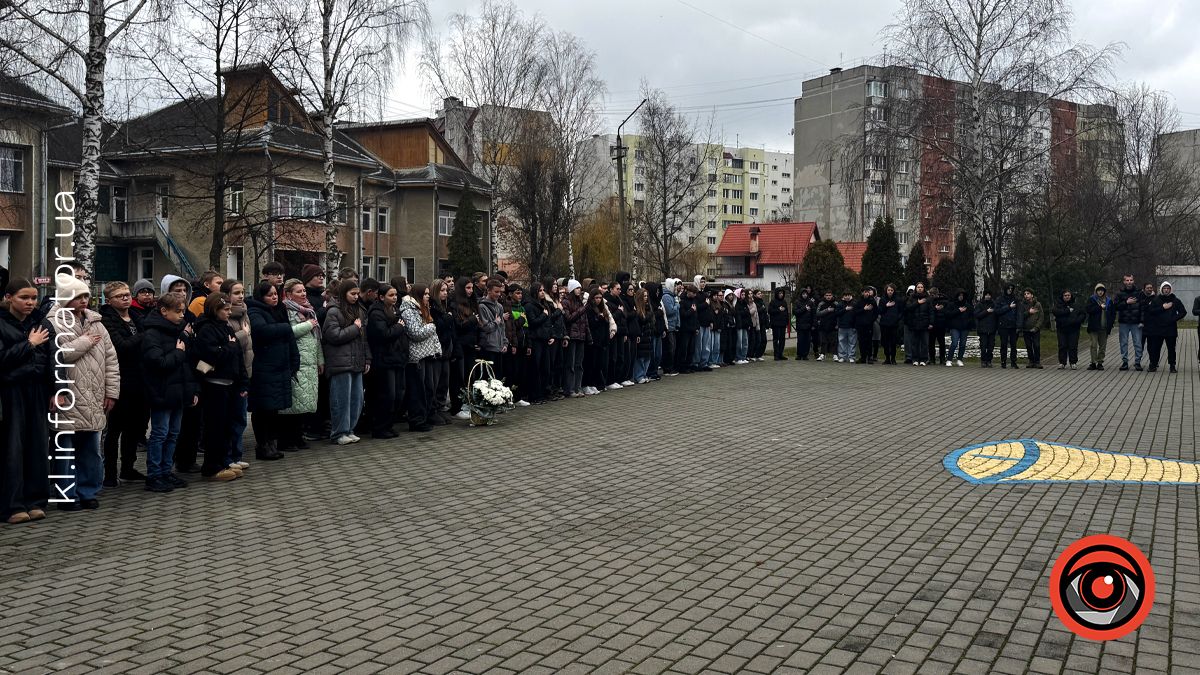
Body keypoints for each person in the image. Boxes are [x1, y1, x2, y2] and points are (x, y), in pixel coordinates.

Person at [1, 279, 53, 523]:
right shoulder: (2, 323)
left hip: (37, 391)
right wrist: (28, 345)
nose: (30, 302)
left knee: (37, 445)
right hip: (10, 393)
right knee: (12, 448)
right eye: (24, 297)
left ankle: (35, 500)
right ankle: (12, 505)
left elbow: (53, 360)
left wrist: (57, 390)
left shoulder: (41, 322)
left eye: (33, 298)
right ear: (9, 297)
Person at [140, 293, 196, 493]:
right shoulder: (152, 333)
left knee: (173, 434)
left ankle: (166, 471)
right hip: (161, 391)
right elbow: (159, 363)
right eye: (178, 311)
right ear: (164, 311)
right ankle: (154, 474)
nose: (182, 315)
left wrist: (192, 391)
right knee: (160, 433)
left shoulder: (180, 331)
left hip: (178, 391)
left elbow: (187, 366)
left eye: (183, 311)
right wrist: (178, 353)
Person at [190, 292, 246, 481]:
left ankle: (224, 461)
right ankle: (212, 467)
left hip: (230, 383)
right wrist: (227, 348)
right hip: (214, 385)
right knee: (215, 428)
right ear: (215, 310)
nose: (229, 313)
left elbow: (237, 354)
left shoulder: (226, 327)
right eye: (225, 309)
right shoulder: (206, 329)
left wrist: (242, 381)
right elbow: (211, 355)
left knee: (225, 427)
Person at [98, 282, 147, 486]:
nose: (125, 298)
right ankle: (110, 473)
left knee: (134, 428)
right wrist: (145, 337)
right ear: (109, 300)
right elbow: (122, 346)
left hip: (140, 380)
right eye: (120, 296)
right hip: (120, 380)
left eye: (127, 294)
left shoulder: (137, 317)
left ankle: (128, 467)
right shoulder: (107, 320)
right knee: (114, 429)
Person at [247, 281, 299, 458]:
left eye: (276, 294)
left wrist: (294, 360)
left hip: (280, 367)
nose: (274, 297)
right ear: (261, 297)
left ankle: (271, 443)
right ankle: (262, 445)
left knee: (274, 409)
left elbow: (290, 339)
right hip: (264, 368)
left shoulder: (279, 310)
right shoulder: (254, 311)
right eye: (270, 295)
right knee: (263, 409)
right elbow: (261, 331)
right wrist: (285, 328)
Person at [322, 280, 370, 444]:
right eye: (352, 294)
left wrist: (367, 358)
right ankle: (338, 432)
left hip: (356, 361)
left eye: (357, 294)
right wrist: (354, 329)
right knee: (341, 399)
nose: (356, 297)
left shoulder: (359, 310)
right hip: (340, 362)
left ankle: (349, 429)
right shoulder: (333, 311)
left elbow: (364, 338)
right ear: (344, 294)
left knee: (356, 399)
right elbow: (333, 335)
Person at [278, 279, 323, 451]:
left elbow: (316, 338)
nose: (303, 294)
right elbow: (289, 332)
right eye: (299, 291)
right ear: (289, 294)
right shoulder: (286, 310)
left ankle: (298, 436)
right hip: (296, 361)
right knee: (292, 403)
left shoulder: (309, 311)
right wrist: (307, 325)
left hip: (309, 361)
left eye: (304, 290)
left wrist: (321, 360)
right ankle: (287, 439)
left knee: (304, 403)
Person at [220, 279, 253, 470]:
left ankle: (237, 454)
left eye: (242, 292)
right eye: (236, 293)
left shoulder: (244, 314)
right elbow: (229, 345)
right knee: (230, 418)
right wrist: (243, 334)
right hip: (230, 375)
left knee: (240, 418)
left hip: (244, 373)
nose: (241, 296)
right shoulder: (225, 317)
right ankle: (228, 457)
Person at [399, 284, 442, 431]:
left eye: (428, 294)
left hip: (428, 353)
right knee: (418, 390)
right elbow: (415, 333)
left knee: (428, 388)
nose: (428, 296)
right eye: (425, 294)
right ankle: (417, 420)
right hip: (416, 356)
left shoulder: (423, 308)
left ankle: (426, 416)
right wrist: (431, 326)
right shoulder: (408, 310)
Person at [366, 283, 407, 437]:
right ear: (381, 297)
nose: (395, 298)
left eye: (396, 295)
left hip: (397, 358)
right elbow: (383, 334)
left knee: (398, 394)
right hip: (384, 360)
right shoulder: (376, 313)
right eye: (391, 295)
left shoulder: (395, 310)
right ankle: (380, 427)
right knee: (387, 395)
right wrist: (398, 327)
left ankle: (388, 425)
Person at [450, 277, 479, 418]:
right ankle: (457, 406)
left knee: (470, 375)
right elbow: (459, 326)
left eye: (472, 288)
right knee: (459, 377)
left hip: (471, 344)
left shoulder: (472, 302)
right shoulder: (455, 304)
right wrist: (473, 320)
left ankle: (468, 402)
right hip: (460, 344)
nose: (470, 291)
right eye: (467, 288)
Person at [1144, 281, 1187, 373]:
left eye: (1168, 288)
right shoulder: (1156, 300)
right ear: (1161, 289)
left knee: (1171, 348)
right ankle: (1153, 365)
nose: (1166, 290)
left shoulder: (1175, 300)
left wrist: (1173, 318)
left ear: (1170, 289)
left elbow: (1183, 312)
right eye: (1164, 288)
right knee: (1156, 348)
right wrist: (1163, 307)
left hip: (1171, 328)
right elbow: (1151, 311)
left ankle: (1172, 366)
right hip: (1158, 328)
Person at [429, 280, 455, 422]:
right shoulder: (433, 307)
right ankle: (434, 409)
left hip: (446, 348)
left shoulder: (444, 306)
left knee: (444, 381)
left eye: (446, 290)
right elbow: (438, 325)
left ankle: (440, 407)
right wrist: (448, 318)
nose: (445, 293)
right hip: (437, 349)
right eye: (442, 290)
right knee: (436, 380)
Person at [563, 279, 588, 395]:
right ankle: (570, 388)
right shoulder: (566, 302)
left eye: (580, 288)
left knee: (579, 364)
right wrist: (581, 310)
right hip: (572, 336)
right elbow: (568, 318)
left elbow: (585, 321)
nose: (579, 290)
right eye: (577, 288)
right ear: (572, 289)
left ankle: (578, 387)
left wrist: (588, 336)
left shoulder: (580, 302)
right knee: (571, 364)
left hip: (581, 336)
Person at [1114, 275, 1143, 371]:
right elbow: (1115, 307)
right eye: (1127, 280)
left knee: (1138, 343)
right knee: (1123, 343)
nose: (1129, 282)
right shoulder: (1119, 293)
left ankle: (1137, 362)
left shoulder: (1139, 293)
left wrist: (1142, 321)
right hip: (1124, 322)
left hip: (1136, 322)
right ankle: (1125, 362)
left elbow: (1142, 308)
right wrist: (1126, 302)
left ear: (1133, 281)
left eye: (1131, 280)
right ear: (1124, 282)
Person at [1085, 283, 1116, 370]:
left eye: (1102, 290)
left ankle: (1100, 362)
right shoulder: (1092, 300)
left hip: (1104, 327)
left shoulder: (1109, 301)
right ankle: (1093, 362)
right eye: (1098, 290)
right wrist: (1099, 307)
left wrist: (1111, 323)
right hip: (1094, 327)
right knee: (1093, 345)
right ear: (1096, 291)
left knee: (1102, 346)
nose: (1100, 292)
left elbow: (1113, 313)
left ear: (1104, 291)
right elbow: (1088, 310)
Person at [1052, 289, 1085, 369]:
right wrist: (1067, 311)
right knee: (1062, 346)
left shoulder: (1076, 305)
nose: (1067, 297)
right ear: (1062, 296)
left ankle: (1073, 362)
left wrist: (1077, 321)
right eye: (1065, 295)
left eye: (1068, 295)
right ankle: (1062, 362)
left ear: (1071, 296)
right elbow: (1055, 312)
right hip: (1061, 329)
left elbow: (1083, 314)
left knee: (1073, 346)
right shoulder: (1058, 305)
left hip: (1074, 329)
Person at [903, 283, 932, 366]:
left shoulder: (928, 298)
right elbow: (908, 308)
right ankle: (915, 359)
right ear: (916, 288)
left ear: (924, 288)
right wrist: (918, 303)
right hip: (914, 324)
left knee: (924, 343)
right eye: (918, 287)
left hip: (924, 324)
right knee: (914, 343)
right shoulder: (912, 298)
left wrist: (931, 323)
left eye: (921, 287)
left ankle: (924, 359)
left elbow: (931, 311)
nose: (920, 289)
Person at [995, 283, 1021, 369]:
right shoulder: (1000, 299)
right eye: (1009, 288)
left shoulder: (1016, 299)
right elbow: (997, 311)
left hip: (1013, 326)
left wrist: (1019, 325)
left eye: (1011, 288)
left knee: (1014, 345)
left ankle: (1013, 362)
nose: (1010, 290)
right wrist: (1009, 307)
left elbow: (1019, 313)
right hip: (1003, 325)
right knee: (1004, 344)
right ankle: (1003, 361)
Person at [877, 284, 903, 365]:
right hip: (884, 324)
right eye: (889, 290)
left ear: (894, 291)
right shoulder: (882, 300)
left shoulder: (898, 299)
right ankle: (887, 358)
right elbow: (880, 311)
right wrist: (886, 306)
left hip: (894, 324)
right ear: (886, 290)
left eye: (892, 290)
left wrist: (897, 319)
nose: (890, 292)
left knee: (893, 342)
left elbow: (901, 311)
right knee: (885, 342)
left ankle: (893, 359)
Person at [633, 287, 654, 383]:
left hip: (648, 334)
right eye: (644, 296)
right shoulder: (638, 308)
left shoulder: (648, 306)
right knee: (640, 357)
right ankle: (639, 375)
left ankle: (644, 374)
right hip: (642, 334)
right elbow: (642, 319)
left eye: (647, 296)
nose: (646, 298)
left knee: (647, 356)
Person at [676, 284, 699, 374]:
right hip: (685, 329)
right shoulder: (682, 301)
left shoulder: (694, 300)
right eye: (694, 293)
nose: (695, 295)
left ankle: (688, 365)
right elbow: (683, 315)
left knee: (691, 349)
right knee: (684, 349)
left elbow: (696, 315)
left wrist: (697, 327)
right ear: (689, 292)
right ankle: (682, 367)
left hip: (693, 329)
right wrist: (691, 310)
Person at [946, 289, 972, 367]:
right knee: (954, 343)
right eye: (959, 295)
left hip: (965, 328)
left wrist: (969, 324)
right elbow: (948, 314)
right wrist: (958, 311)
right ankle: (949, 360)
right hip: (955, 327)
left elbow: (971, 316)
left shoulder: (968, 306)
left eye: (962, 295)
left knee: (963, 344)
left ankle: (959, 359)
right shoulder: (952, 304)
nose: (961, 297)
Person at [1020, 288, 1044, 368]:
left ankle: (1037, 361)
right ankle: (1031, 361)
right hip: (1026, 329)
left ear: (1032, 295)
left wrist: (1037, 327)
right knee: (1028, 345)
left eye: (1028, 293)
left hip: (1035, 329)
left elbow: (1041, 317)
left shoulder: (1037, 304)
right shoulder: (1022, 304)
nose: (1026, 295)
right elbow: (1021, 316)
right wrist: (1028, 312)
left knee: (1036, 345)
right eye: (1025, 294)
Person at [974, 289, 998, 368]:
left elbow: (997, 314)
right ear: (984, 296)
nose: (988, 296)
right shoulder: (980, 304)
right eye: (986, 295)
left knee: (991, 346)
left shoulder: (994, 304)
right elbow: (977, 315)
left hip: (992, 329)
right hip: (983, 329)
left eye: (989, 295)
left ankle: (989, 360)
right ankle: (983, 361)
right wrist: (986, 311)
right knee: (983, 346)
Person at [660, 279, 680, 375]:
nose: (676, 288)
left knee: (673, 348)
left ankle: (671, 367)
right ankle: (667, 368)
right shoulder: (667, 297)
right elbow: (670, 311)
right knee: (670, 348)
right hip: (669, 326)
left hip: (673, 326)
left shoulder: (673, 296)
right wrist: (677, 305)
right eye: (674, 286)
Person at [853, 287, 876, 364]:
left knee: (869, 341)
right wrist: (864, 309)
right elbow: (855, 312)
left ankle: (869, 357)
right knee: (861, 341)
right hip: (860, 325)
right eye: (865, 292)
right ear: (862, 293)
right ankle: (863, 357)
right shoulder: (858, 302)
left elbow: (876, 312)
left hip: (869, 324)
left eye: (868, 292)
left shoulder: (872, 301)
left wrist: (871, 320)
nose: (866, 293)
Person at [792, 288, 815, 361]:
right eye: (803, 294)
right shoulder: (797, 302)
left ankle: (805, 355)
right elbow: (796, 312)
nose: (805, 295)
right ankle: (799, 354)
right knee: (800, 340)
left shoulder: (810, 302)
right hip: (800, 325)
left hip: (808, 325)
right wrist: (804, 308)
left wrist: (814, 324)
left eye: (806, 294)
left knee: (807, 341)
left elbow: (813, 314)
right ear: (801, 294)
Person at [815, 290, 839, 362]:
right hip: (823, 325)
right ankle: (822, 354)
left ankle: (835, 355)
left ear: (832, 296)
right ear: (824, 296)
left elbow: (838, 314)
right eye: (827, 295)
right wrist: (827, 310)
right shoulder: (821, 303)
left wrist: (838, 324)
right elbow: (817, 313)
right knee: (823, 341)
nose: (828, 297)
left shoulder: (836, 303)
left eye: (830, 295)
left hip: (833, 325)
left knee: (834, 341)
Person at [768, 289, 789, 360]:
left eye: (782, 293)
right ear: (777, 294)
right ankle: (776, 355)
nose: (781, 295)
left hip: (783, 323)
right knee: (776, 340)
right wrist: (778, 309)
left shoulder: (784, 302)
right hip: (776, 324)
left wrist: (787, 322)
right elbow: (770, 311)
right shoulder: (773, 302)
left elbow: (786, 312)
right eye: (780, 293)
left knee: (782, 339)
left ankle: (780, 354)